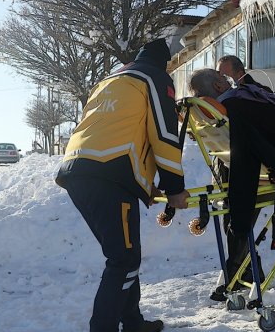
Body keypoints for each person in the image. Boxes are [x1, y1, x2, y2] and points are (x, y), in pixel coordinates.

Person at [55, 38, 190, 332]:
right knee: (124, 260)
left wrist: (144, 183)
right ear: (163, 63)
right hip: (110, 174)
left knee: (125, 255)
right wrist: (175, 188)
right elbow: (165, 135)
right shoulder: (155, 78)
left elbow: (115, 130)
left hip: (77, 169)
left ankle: (132, 323)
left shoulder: (109, 80)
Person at [188, 68, 275, 300]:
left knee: (235, 217)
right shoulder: (239, 101)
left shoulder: (212, 115)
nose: (225, 78)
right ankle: (241, 271)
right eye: (220, 76)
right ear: (219, 86)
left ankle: (245, 270)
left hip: (241, 168)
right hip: (270, 163)